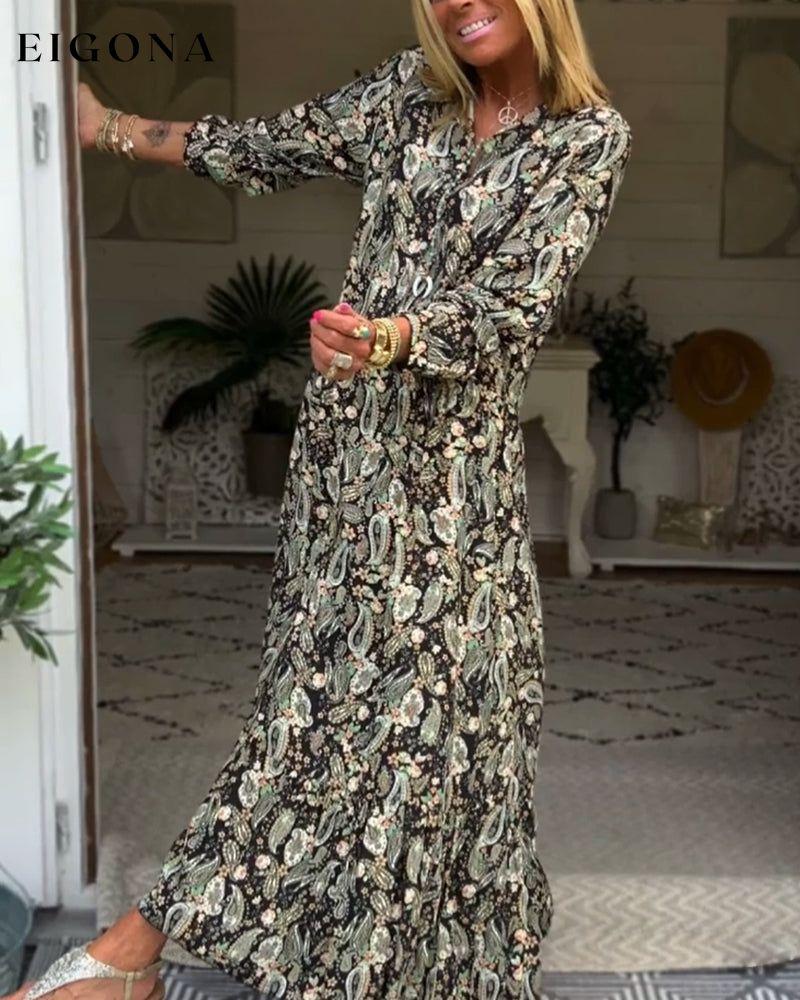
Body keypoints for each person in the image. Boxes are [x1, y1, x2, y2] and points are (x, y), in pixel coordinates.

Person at [9, 1, 632, 997]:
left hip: (452, 486)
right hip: (346, 463)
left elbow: (509, 310)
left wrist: (387, 337)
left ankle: (229, 950)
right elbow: (269, 147)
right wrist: (107, 128)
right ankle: (178, 951)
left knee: (448, 718)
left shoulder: (584, 140)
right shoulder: (408, 93)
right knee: (316, 701)